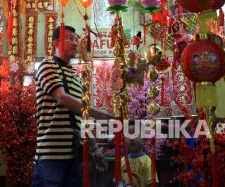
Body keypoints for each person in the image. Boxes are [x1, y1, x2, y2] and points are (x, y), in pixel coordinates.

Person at [33, 25, 113, 187]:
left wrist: (95, 149)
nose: (75, 43)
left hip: (73, 156)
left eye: (76, 39)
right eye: (70, 38)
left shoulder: (75, 76)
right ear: (56, 43)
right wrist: (101, 115)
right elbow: (62, 98)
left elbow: (81, 117)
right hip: (51, 155)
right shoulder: (47, 66)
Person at [120, 122, 158, 187]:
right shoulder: (121, 161)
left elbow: (151, 184)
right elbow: (119, 182)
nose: (132, 139)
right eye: (128, 136)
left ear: (144, 139)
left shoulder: (147, 162)